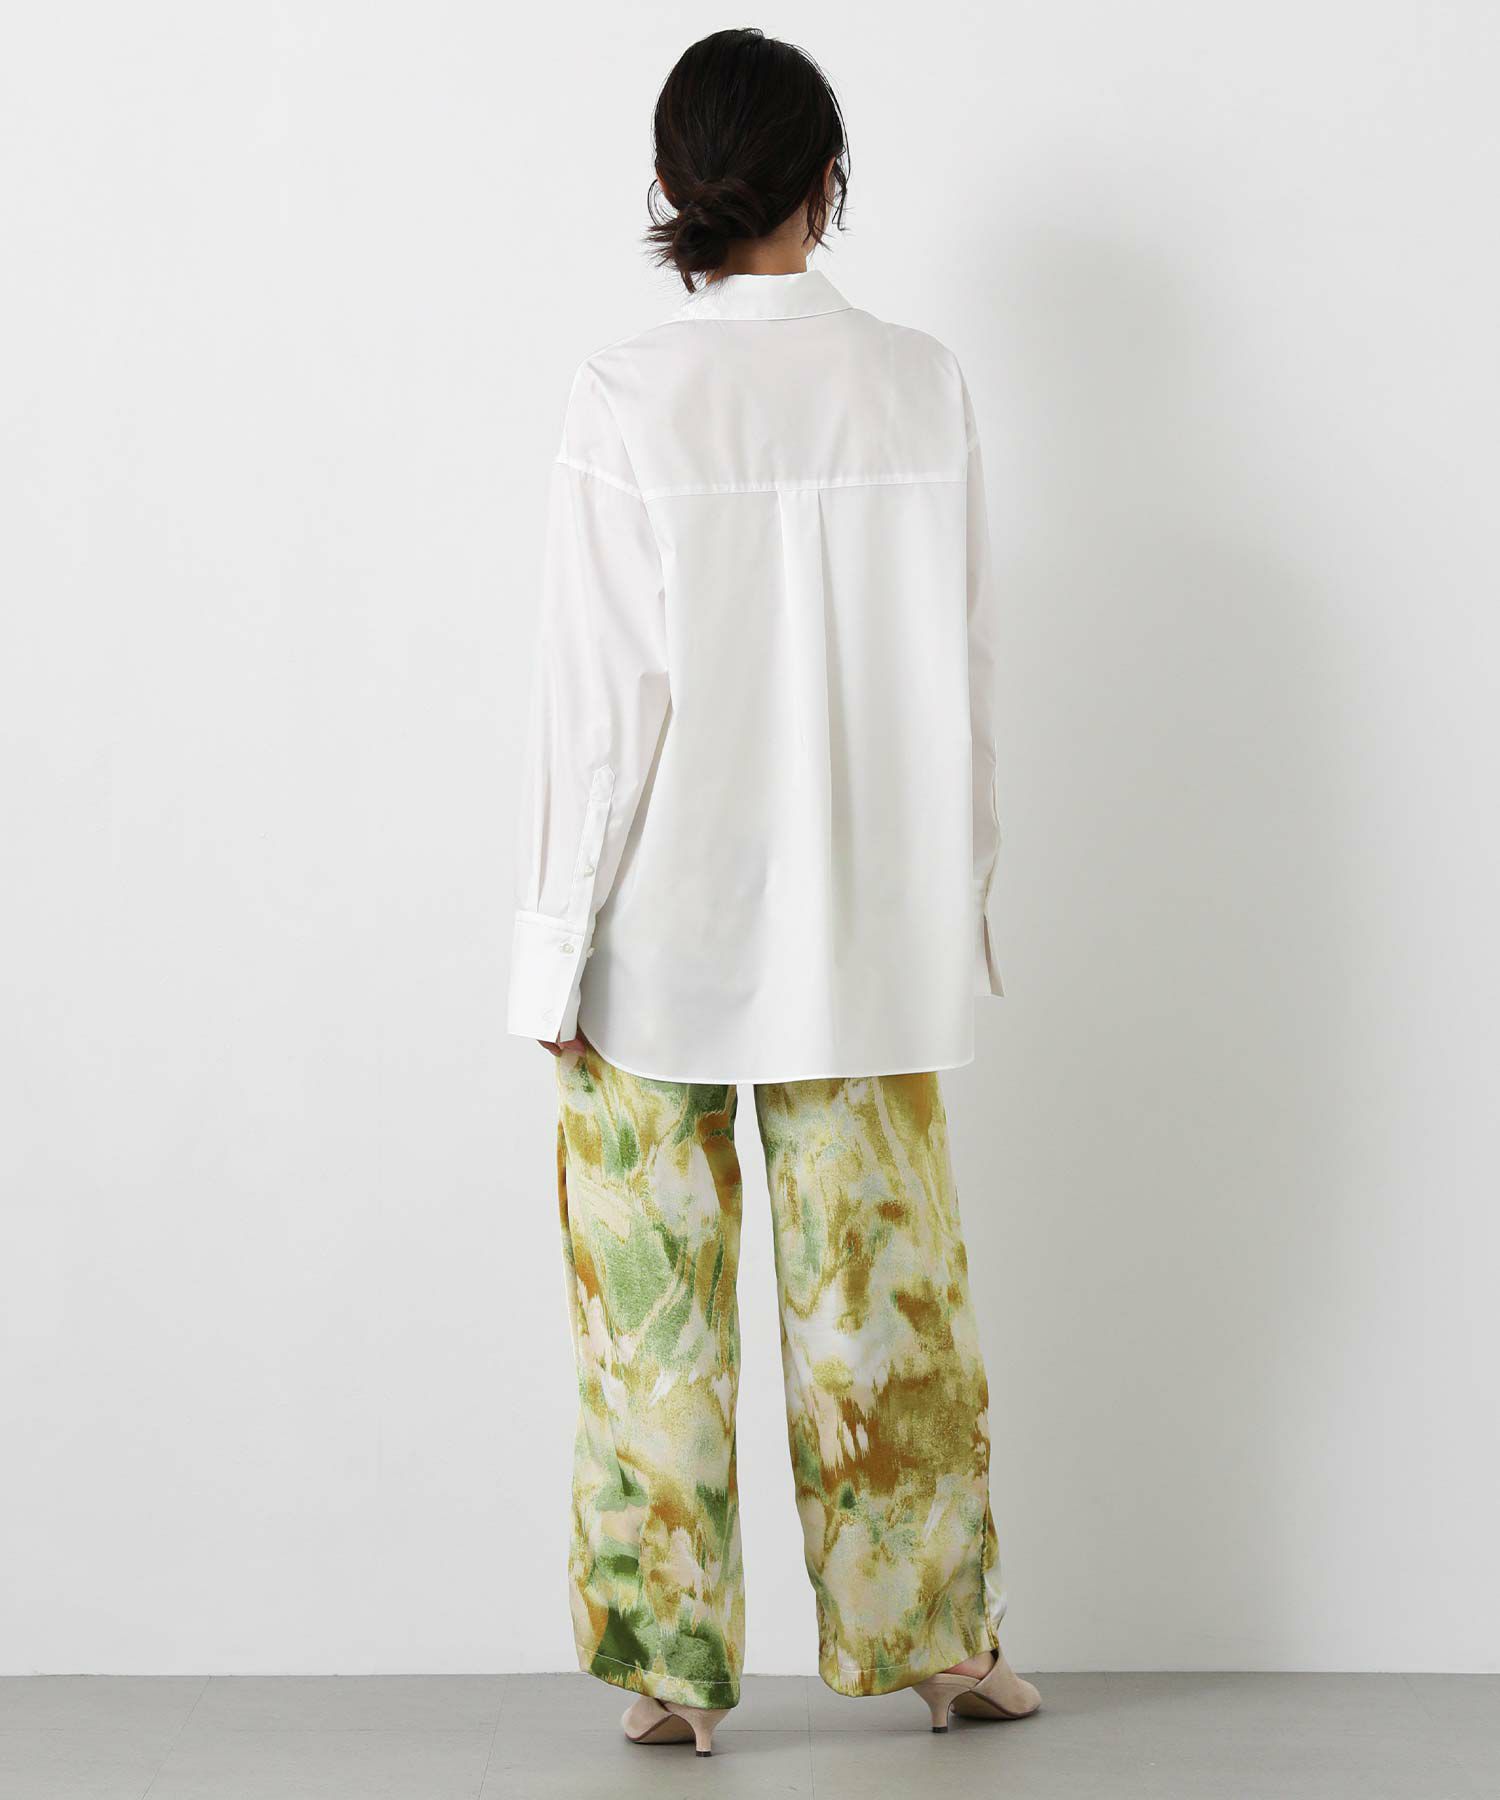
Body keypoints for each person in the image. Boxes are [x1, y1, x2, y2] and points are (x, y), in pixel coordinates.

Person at [507, 27, 1041, 1756]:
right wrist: (957, 902)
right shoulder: (921, 383)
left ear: (672, 190)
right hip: (863, 931)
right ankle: (945, 1648)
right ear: (829, 179)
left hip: (657, 935)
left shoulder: (626, 395)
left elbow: (602, 707)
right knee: (884, 1305)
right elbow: (966, 671)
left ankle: (670, 1674)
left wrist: (552, 948)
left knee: (651, 1316)